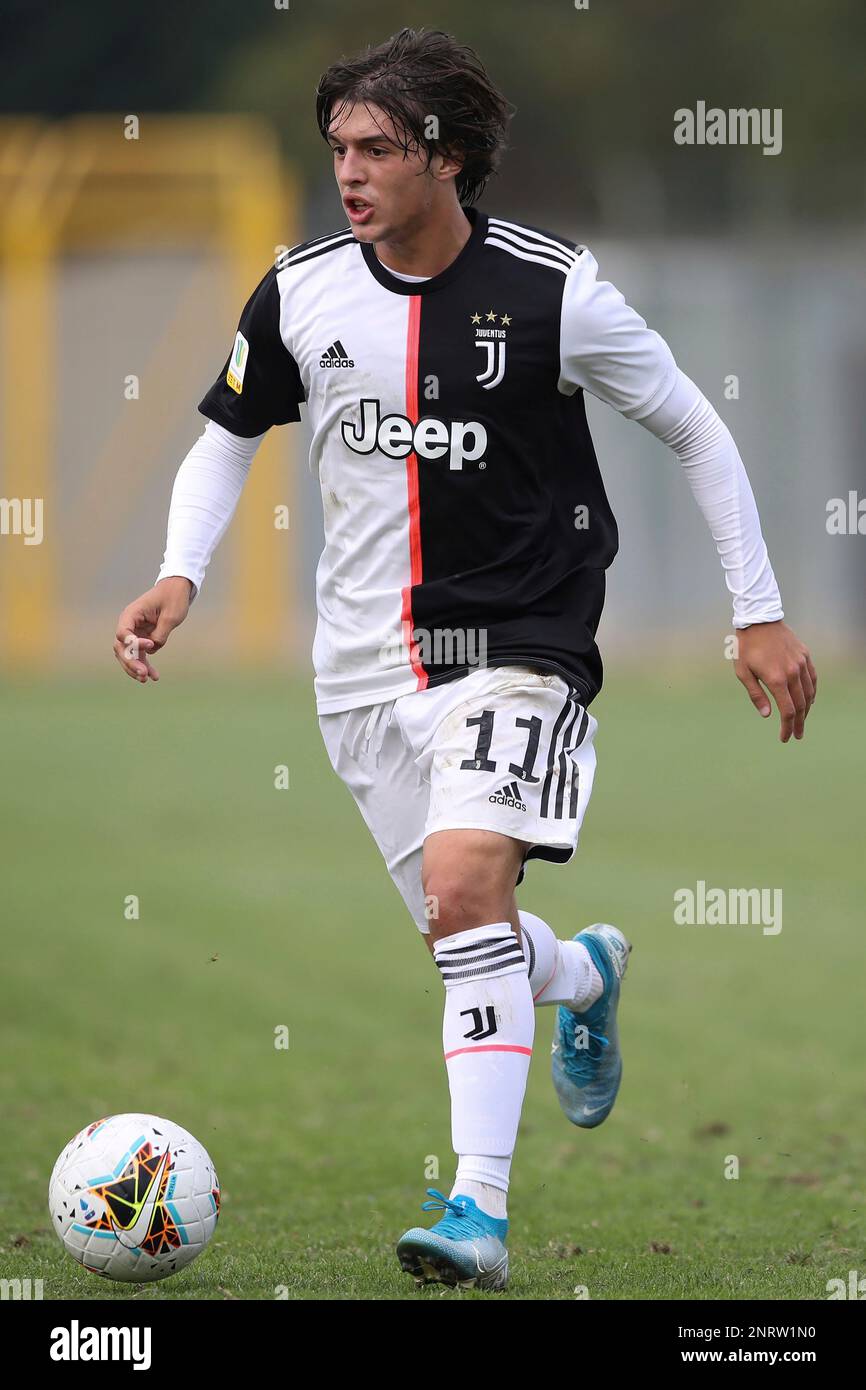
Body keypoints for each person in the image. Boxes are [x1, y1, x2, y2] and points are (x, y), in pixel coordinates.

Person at [113, 27, 817, 1292]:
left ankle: (474, 1212)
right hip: (362, 672)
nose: (349, 173)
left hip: (520, 640)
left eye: (378, 148)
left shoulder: (556, 293)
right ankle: (585, 971)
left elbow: (695, 431)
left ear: (447, 158)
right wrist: (183, 571)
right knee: (467, 931)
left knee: (462, 882)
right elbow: (227, 432)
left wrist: (753, 608)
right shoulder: (300, 292)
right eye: (337, 148)